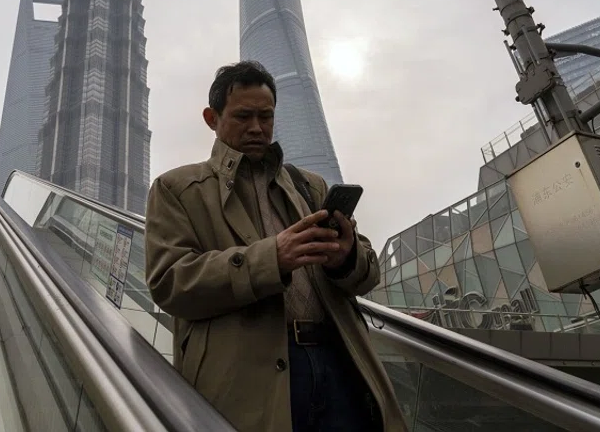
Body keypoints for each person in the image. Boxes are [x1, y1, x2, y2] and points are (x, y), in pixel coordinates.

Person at [145, 61, 406, 432]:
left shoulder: (309, 186)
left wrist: (345, 258)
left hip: (339, 362)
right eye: (243, 116)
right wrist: (272, 258)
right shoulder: (177, 189)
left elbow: (367, 273)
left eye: (266, 116)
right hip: (247, 379)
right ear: (211, 118)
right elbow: (169, 282)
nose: (257, 127)